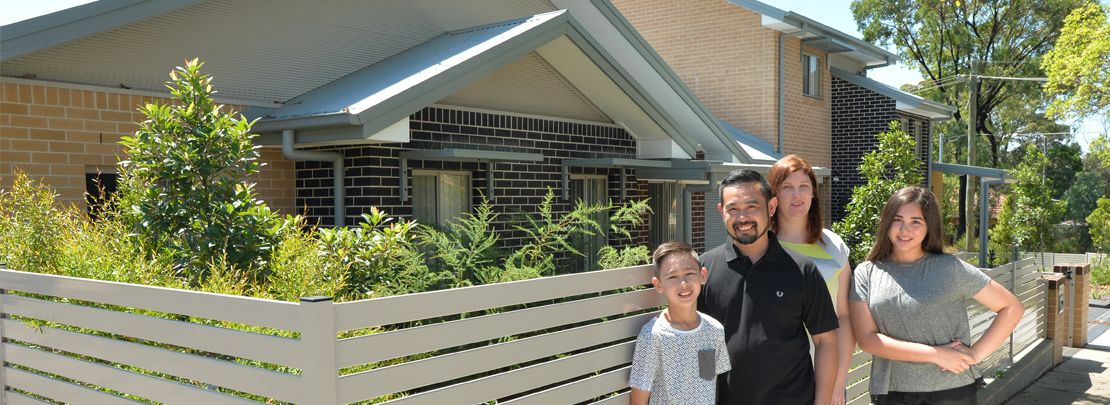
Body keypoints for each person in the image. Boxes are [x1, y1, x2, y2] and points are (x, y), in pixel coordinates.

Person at [850, 187, 1024, 405]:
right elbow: (867, 340)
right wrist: (934, 354)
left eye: (916, 221)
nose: (905, 229)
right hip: (892, 393)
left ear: (928, 228)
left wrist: (975, 355)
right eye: (897, 219)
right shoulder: (866, 273)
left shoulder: (950, 268)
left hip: (952, 390)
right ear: (887, 222)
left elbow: (1012, 307)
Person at [698, 169, 839, 405]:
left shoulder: (803, 270)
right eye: (733, 209)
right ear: (722, 212)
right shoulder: (703, 270)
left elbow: (825, 341)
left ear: (771, 207)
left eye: (752, 207)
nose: (742, 217)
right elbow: (702, 345)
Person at [768, 155, 855, 405]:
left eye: (804, 186)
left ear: (814, 193)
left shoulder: (833, 246)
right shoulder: (762, 247)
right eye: (787, 187)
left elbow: (844, 317)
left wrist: (838, 383)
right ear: (773, 194)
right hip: (776, 383)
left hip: (827, 381)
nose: (798, 195)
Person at [630, 241, 731, 405]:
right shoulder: (653, 335)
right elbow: (638, 401)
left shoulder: (715, 330)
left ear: (703, 275)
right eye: (672, 277)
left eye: (689, 273)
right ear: (658, 284)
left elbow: (708, 384)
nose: (683, 283)